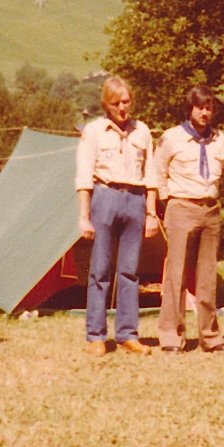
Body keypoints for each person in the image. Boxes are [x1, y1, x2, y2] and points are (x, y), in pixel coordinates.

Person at [76, 77, 159, 357]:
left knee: (129, 272)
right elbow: (84, 176)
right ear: (105, 104)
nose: (122, 108)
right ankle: (96, 336)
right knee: (99, 271)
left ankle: (127, 334)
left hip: (135, 200)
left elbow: (152, 175)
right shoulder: (95, 131)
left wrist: (151, 213)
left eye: (126, 102)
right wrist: (84, 216)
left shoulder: (143, 131)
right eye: (116, 103)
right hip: (105, 197)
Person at [152, 85, 224, 354]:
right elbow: (157, 173)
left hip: (210, 209)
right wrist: (168, 203)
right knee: (176, 275)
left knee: (207, 276)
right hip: (182, 207)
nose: (205, 112)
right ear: (190, 109)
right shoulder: (171, 138)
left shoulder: (220, 139)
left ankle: (210, 335)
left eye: (209, 107)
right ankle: (172, 336)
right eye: (200, 107)